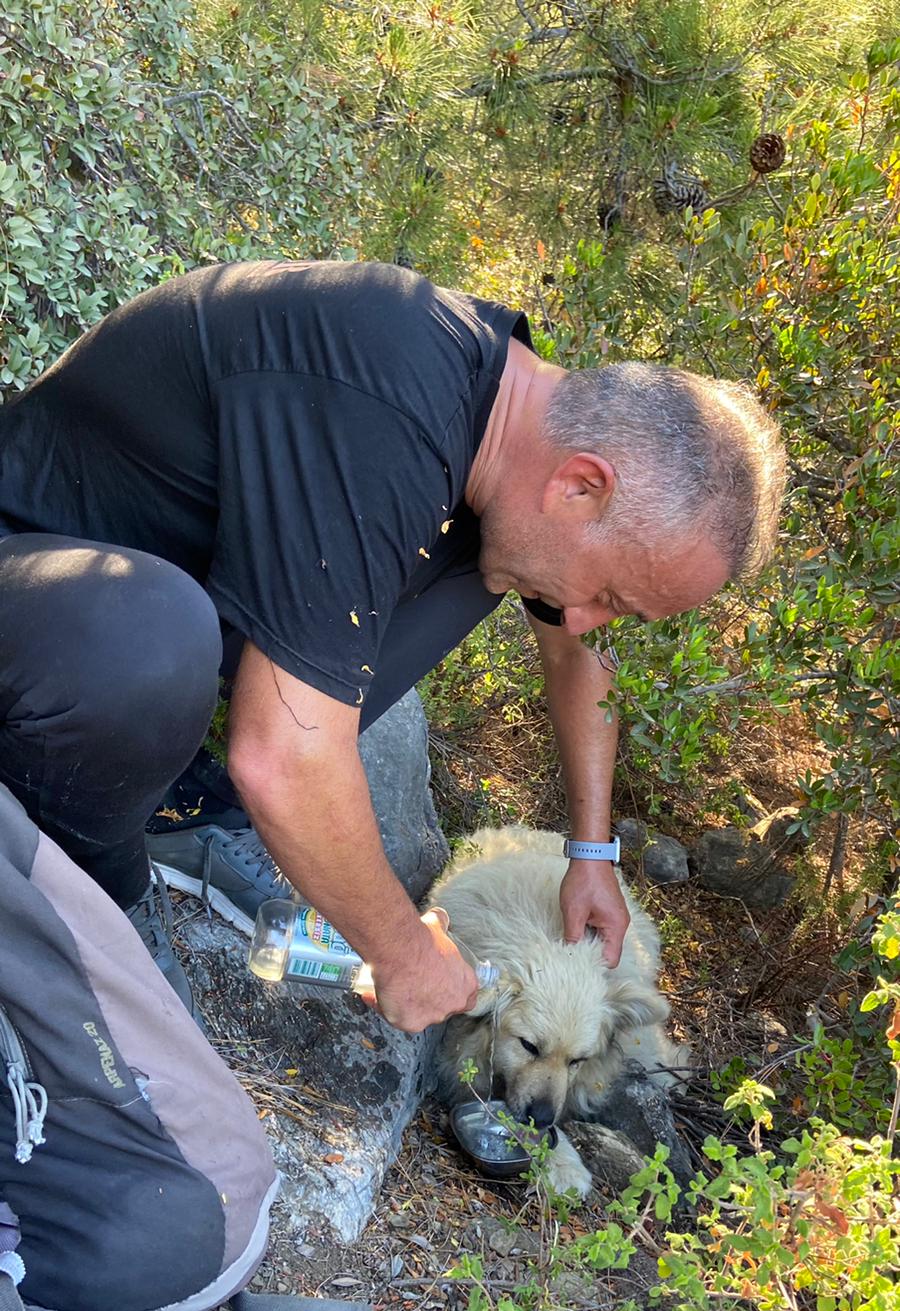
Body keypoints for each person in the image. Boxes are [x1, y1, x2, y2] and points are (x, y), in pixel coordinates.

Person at [0, 260, 786, 1032]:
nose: (587, 620)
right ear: (580, 486)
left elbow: (577, 657)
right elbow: (283, 760)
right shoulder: (386, 398)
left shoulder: (512, 436)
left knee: (495, 564)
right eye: (609, 596)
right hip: (41, 591)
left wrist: (592, 853)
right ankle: (97, 894)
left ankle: (185, 808)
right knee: (151, 637)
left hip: (154, 610)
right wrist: (403, 954)